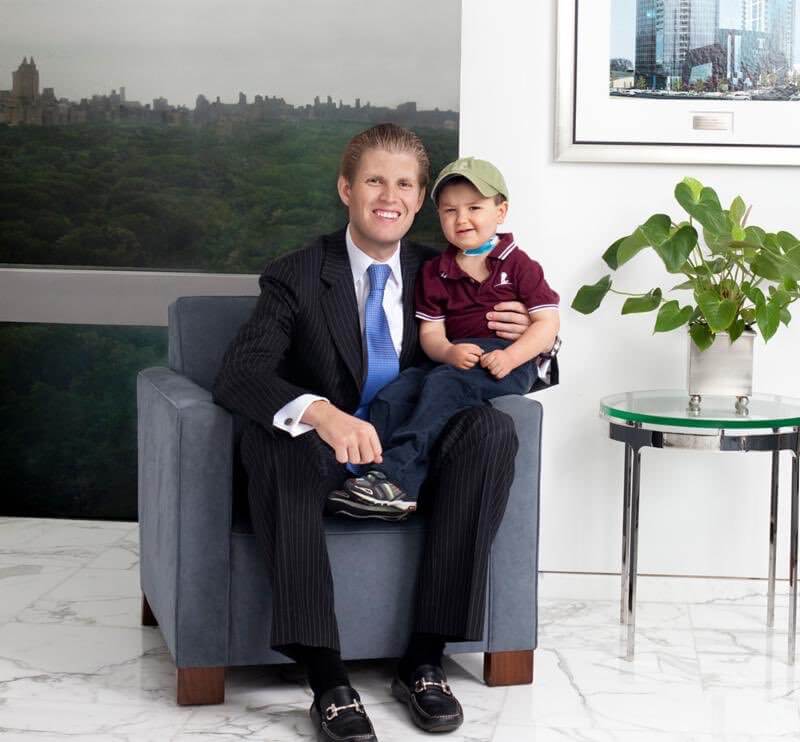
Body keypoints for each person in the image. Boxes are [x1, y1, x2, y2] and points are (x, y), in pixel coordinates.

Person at [212, 124, 533, 742]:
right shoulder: (297, 274)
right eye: (375, 181)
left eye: (405, 184)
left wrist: (522, 333)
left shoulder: (451, 271)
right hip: (323, 453)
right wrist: (323, 414)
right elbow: (240, 373)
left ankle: (424, 661)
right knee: (273, 442)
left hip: (410, 453)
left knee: (490, 431)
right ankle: (327, 679)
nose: (390, 196)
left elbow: (519, 354)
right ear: (346, 189)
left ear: (419, 199)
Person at [328, 157, 560, 519]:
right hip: (456, 359)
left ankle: (397, 479)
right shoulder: (436, 271)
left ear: (501, 211)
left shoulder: (518, 264)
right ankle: (374, 478)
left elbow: (547, 323)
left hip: (506, 360)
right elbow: (431, 334)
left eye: (474, 208)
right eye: (450, 210)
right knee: (395, 393)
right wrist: (449, 352)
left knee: (444, 384)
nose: (461, 218)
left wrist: (512, 357)